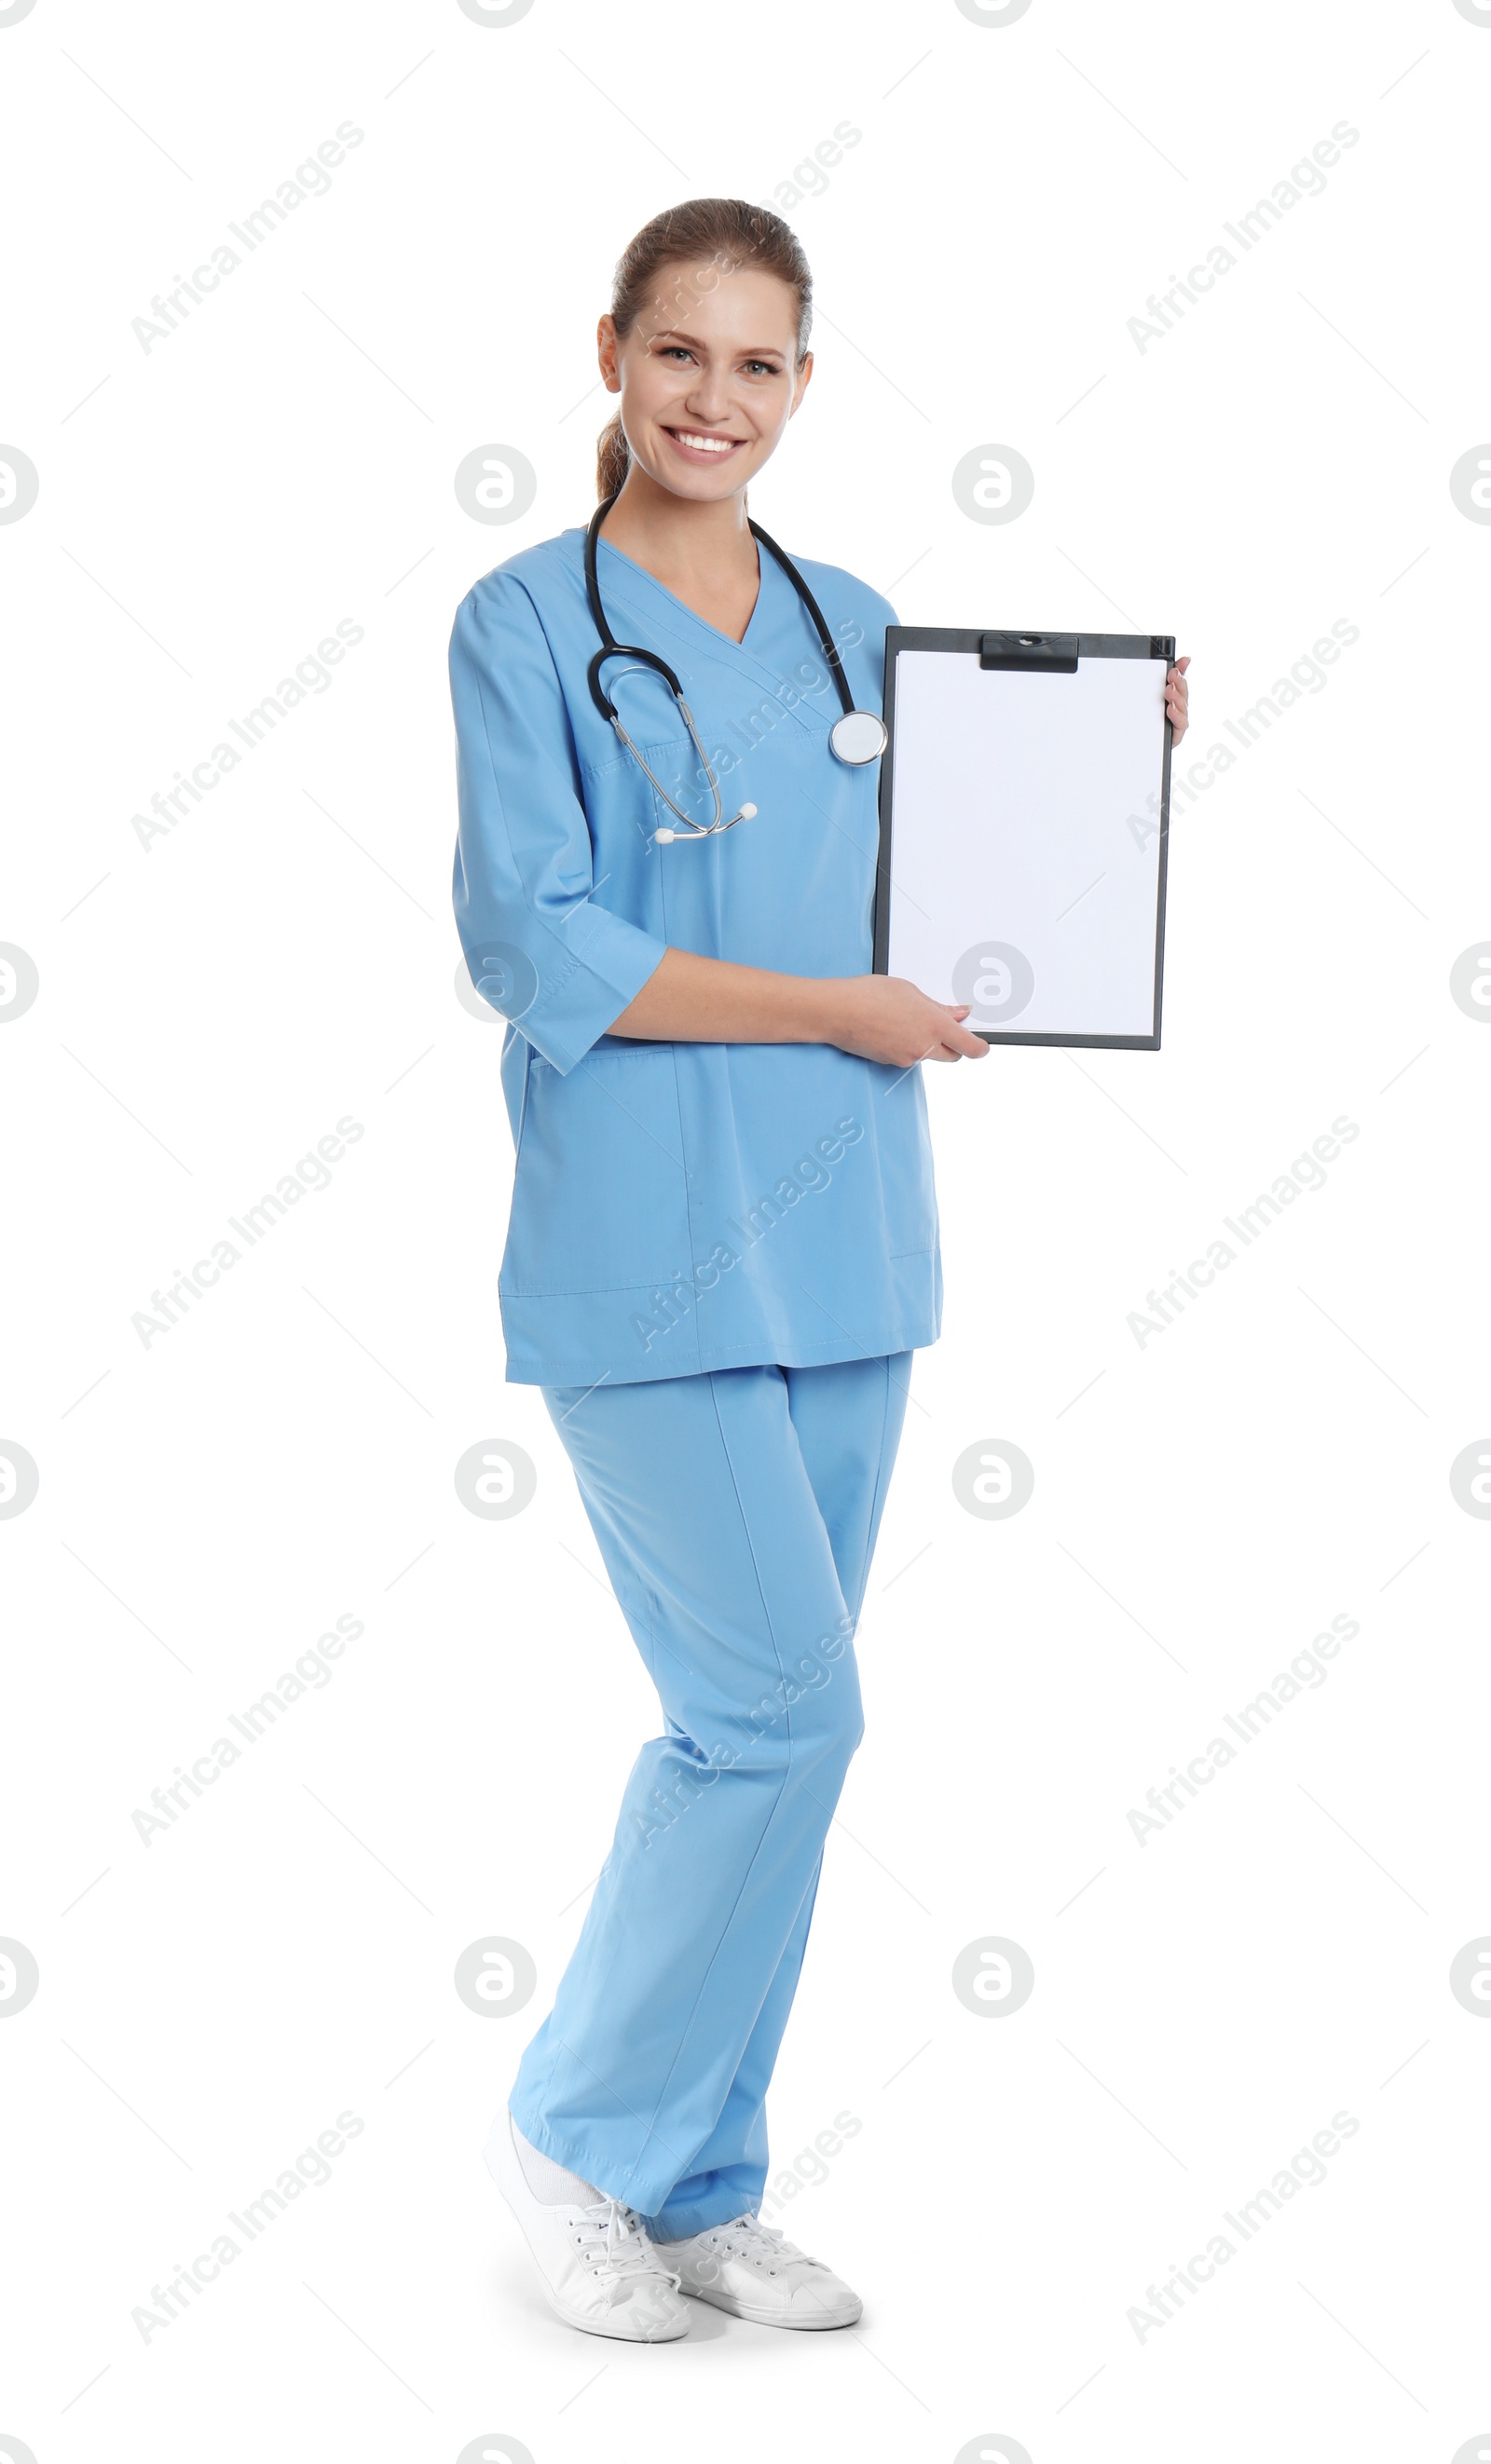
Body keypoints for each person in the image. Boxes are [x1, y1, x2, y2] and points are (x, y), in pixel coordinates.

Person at [449, 197, 1190, 2345]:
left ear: (803, 385)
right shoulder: (523, 623)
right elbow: (535, 942)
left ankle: (693, 2185)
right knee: (779, 1713)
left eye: (757, 365)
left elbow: (968, 899)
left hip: (845, 1252)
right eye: (678, 354)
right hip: (641, 1259)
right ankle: (576, 2125)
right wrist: (824, 1008)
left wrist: (1102, 778)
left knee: (779, 1734)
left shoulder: (860, 622)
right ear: (607, 357)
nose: (714, 400)